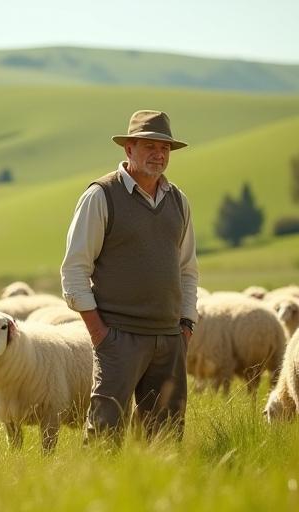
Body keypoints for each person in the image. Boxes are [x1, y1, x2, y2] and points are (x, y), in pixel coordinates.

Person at [60, 109, 198, 445]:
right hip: (118, 337)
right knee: (104, 434)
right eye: (149, 146)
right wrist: (100, 334)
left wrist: (186, 326)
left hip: (169, 339)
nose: (158, 154)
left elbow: (187, 270)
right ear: (129, 149)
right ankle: (97, 495)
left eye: (164, 148)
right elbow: (74, 270)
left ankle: (158, 495)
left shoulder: (178, 201)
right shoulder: (101, 196)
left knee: (165, 438)